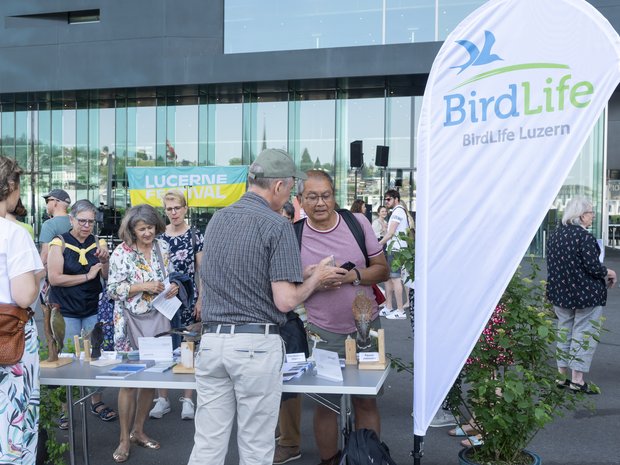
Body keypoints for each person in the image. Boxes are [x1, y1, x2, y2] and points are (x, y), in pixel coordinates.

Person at [187, 148, 344, 465]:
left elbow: (243, 273)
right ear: (278, 187)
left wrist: (301, 274)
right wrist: (317, 279)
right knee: (256, 447)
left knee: (207, 445)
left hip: (213, 342)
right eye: (292, 188)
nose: (294, 195)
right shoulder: (278, 225)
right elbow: (285, 300)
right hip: (255, 346)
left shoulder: (218, 219)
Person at [296, 170, 389, 465]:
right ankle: (330, 461)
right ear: (301, 200)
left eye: (325, 195)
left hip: (366, 327)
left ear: (335, 196)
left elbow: (383, 269)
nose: (320, 203)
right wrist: (312, 279)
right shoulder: (293, 234)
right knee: (326, 404)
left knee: (366, 399)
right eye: (312, 197)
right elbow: (284, 284)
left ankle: (367, 458)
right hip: (323, 332)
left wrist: (352, 276)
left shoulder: (356, 222)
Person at [107, 204, 180, 463]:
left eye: (150, 227)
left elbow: (168, 278)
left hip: (158, 319)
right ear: (131, 230)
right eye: (141, 229)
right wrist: (142, 286)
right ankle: (124, 439)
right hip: (129, 323)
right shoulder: (121, 252)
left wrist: (172, 288)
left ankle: (139, 430)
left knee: (150, 378)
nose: (147, 233)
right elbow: (113, 289)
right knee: (129, 382)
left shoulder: (163, 248)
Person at [47, 199, 117, 425]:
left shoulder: (97, 242)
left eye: (91, 222)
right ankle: (65, 408)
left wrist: (104, 263)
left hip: (92, 309)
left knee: (95, 356)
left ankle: (96, 401)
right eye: (82, 221)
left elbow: (105, 277)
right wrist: (87, 276)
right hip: (65, 310)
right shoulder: (59, 243)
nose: (87, 226)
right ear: (71, 219)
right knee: (67, 359)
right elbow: (54, 278)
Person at [546, 196, 617, 394]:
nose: (593, 216)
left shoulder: (555, 235)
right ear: (580, 215)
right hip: (586, 294)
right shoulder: (584, 237)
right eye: (590, 213)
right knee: (583, 333)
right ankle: (577, 380)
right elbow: (593, 267)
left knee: (564, 330)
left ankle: (561, 377)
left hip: (560, 293)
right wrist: (610, 273)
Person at [0, 155, 45, 464]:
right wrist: (37, 274)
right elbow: (24, 295)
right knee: (15, 425)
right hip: (9, 339)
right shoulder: (13, 233)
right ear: (11, 186)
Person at [150, 190, 204, 421]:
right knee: (162, 344)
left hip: (188, 298)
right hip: (164, 299)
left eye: (177, 208)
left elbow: (202, 271)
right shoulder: (158, 238)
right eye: (169, 209)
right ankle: (162, 398)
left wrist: (201, 298)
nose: (173, 213)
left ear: (185, 208)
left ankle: (188, 398)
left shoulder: (196, 235)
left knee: (188, 347)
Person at [273, 201, 307, 465]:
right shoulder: (267, 238)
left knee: (290, 385)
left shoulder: (299, 240)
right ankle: (278, 435)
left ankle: (290, 442)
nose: (279, 222)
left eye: (284, 217)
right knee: (269, 382)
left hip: (296, 321)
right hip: (271, 321)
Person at [379, 189, 411, 320]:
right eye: (385, 199)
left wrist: (379, 243)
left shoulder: (398, 211)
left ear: (396, 199)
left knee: (396, 278)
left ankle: (400, 310)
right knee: (389, 278)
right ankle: (389, 306)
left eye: (389, 199)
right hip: (394, 248)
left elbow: (391, 232)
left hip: (396, 249)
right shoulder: (397, 212)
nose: (386, 202)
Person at [39, 188, 72, 268]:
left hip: (57, 274)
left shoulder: (49, 224)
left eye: (47, 201)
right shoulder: (76, 222)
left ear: (55, 202)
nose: (46, 204)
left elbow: (45, 255)